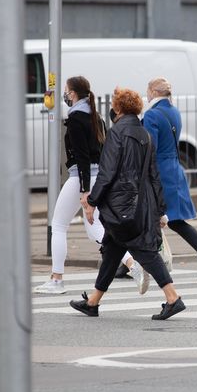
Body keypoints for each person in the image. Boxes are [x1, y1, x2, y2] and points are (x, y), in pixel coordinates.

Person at [70, 88, 186, 320]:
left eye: (114, 104)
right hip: (141, 205)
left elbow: (107, 172)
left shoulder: (117, 134)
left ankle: (173, 298)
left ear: (119, 108)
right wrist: (160, 209)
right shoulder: (145, 135)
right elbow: (154, 175)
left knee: (146, 252)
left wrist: (92, 201)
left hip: (120, 206)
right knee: (112, 252)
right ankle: (93, 302)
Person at [34, 76, 143, 296]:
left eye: (65, 90)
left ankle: (56, 280)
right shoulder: (95, 116)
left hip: (80, 179)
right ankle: (133, 265)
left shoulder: (76, 119)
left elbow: (82, 158)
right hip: (97, 177)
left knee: (59, 225)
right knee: (96, 229)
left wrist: (84, 192)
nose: (64, 94)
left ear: (73, 94)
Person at [141, 77, 197, 281]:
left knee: (149, 218)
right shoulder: (174, 111)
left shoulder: (152, 115)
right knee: (175, 221)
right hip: (175, 169)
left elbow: (151, 149)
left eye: (148, 91)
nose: (146, 95)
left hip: (160, 171)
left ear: (154, 92)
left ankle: (135, 264)